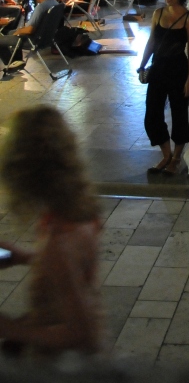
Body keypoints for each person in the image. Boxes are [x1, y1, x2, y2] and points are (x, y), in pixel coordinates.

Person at [0, 105, 102, 355]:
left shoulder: (58, 242)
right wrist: (25, 257)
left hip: (64, 368)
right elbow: (71, 270)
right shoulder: (79, 213)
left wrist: (11, 329)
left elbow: (82, 334)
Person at [138, 0, 189, 174]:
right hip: (158, 68)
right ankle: (166, 154)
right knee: (152, 113)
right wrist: (142, 65)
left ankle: (176, 157)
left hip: (178, 69)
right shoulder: (158, 13)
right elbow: (152, 42)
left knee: (179, 114)